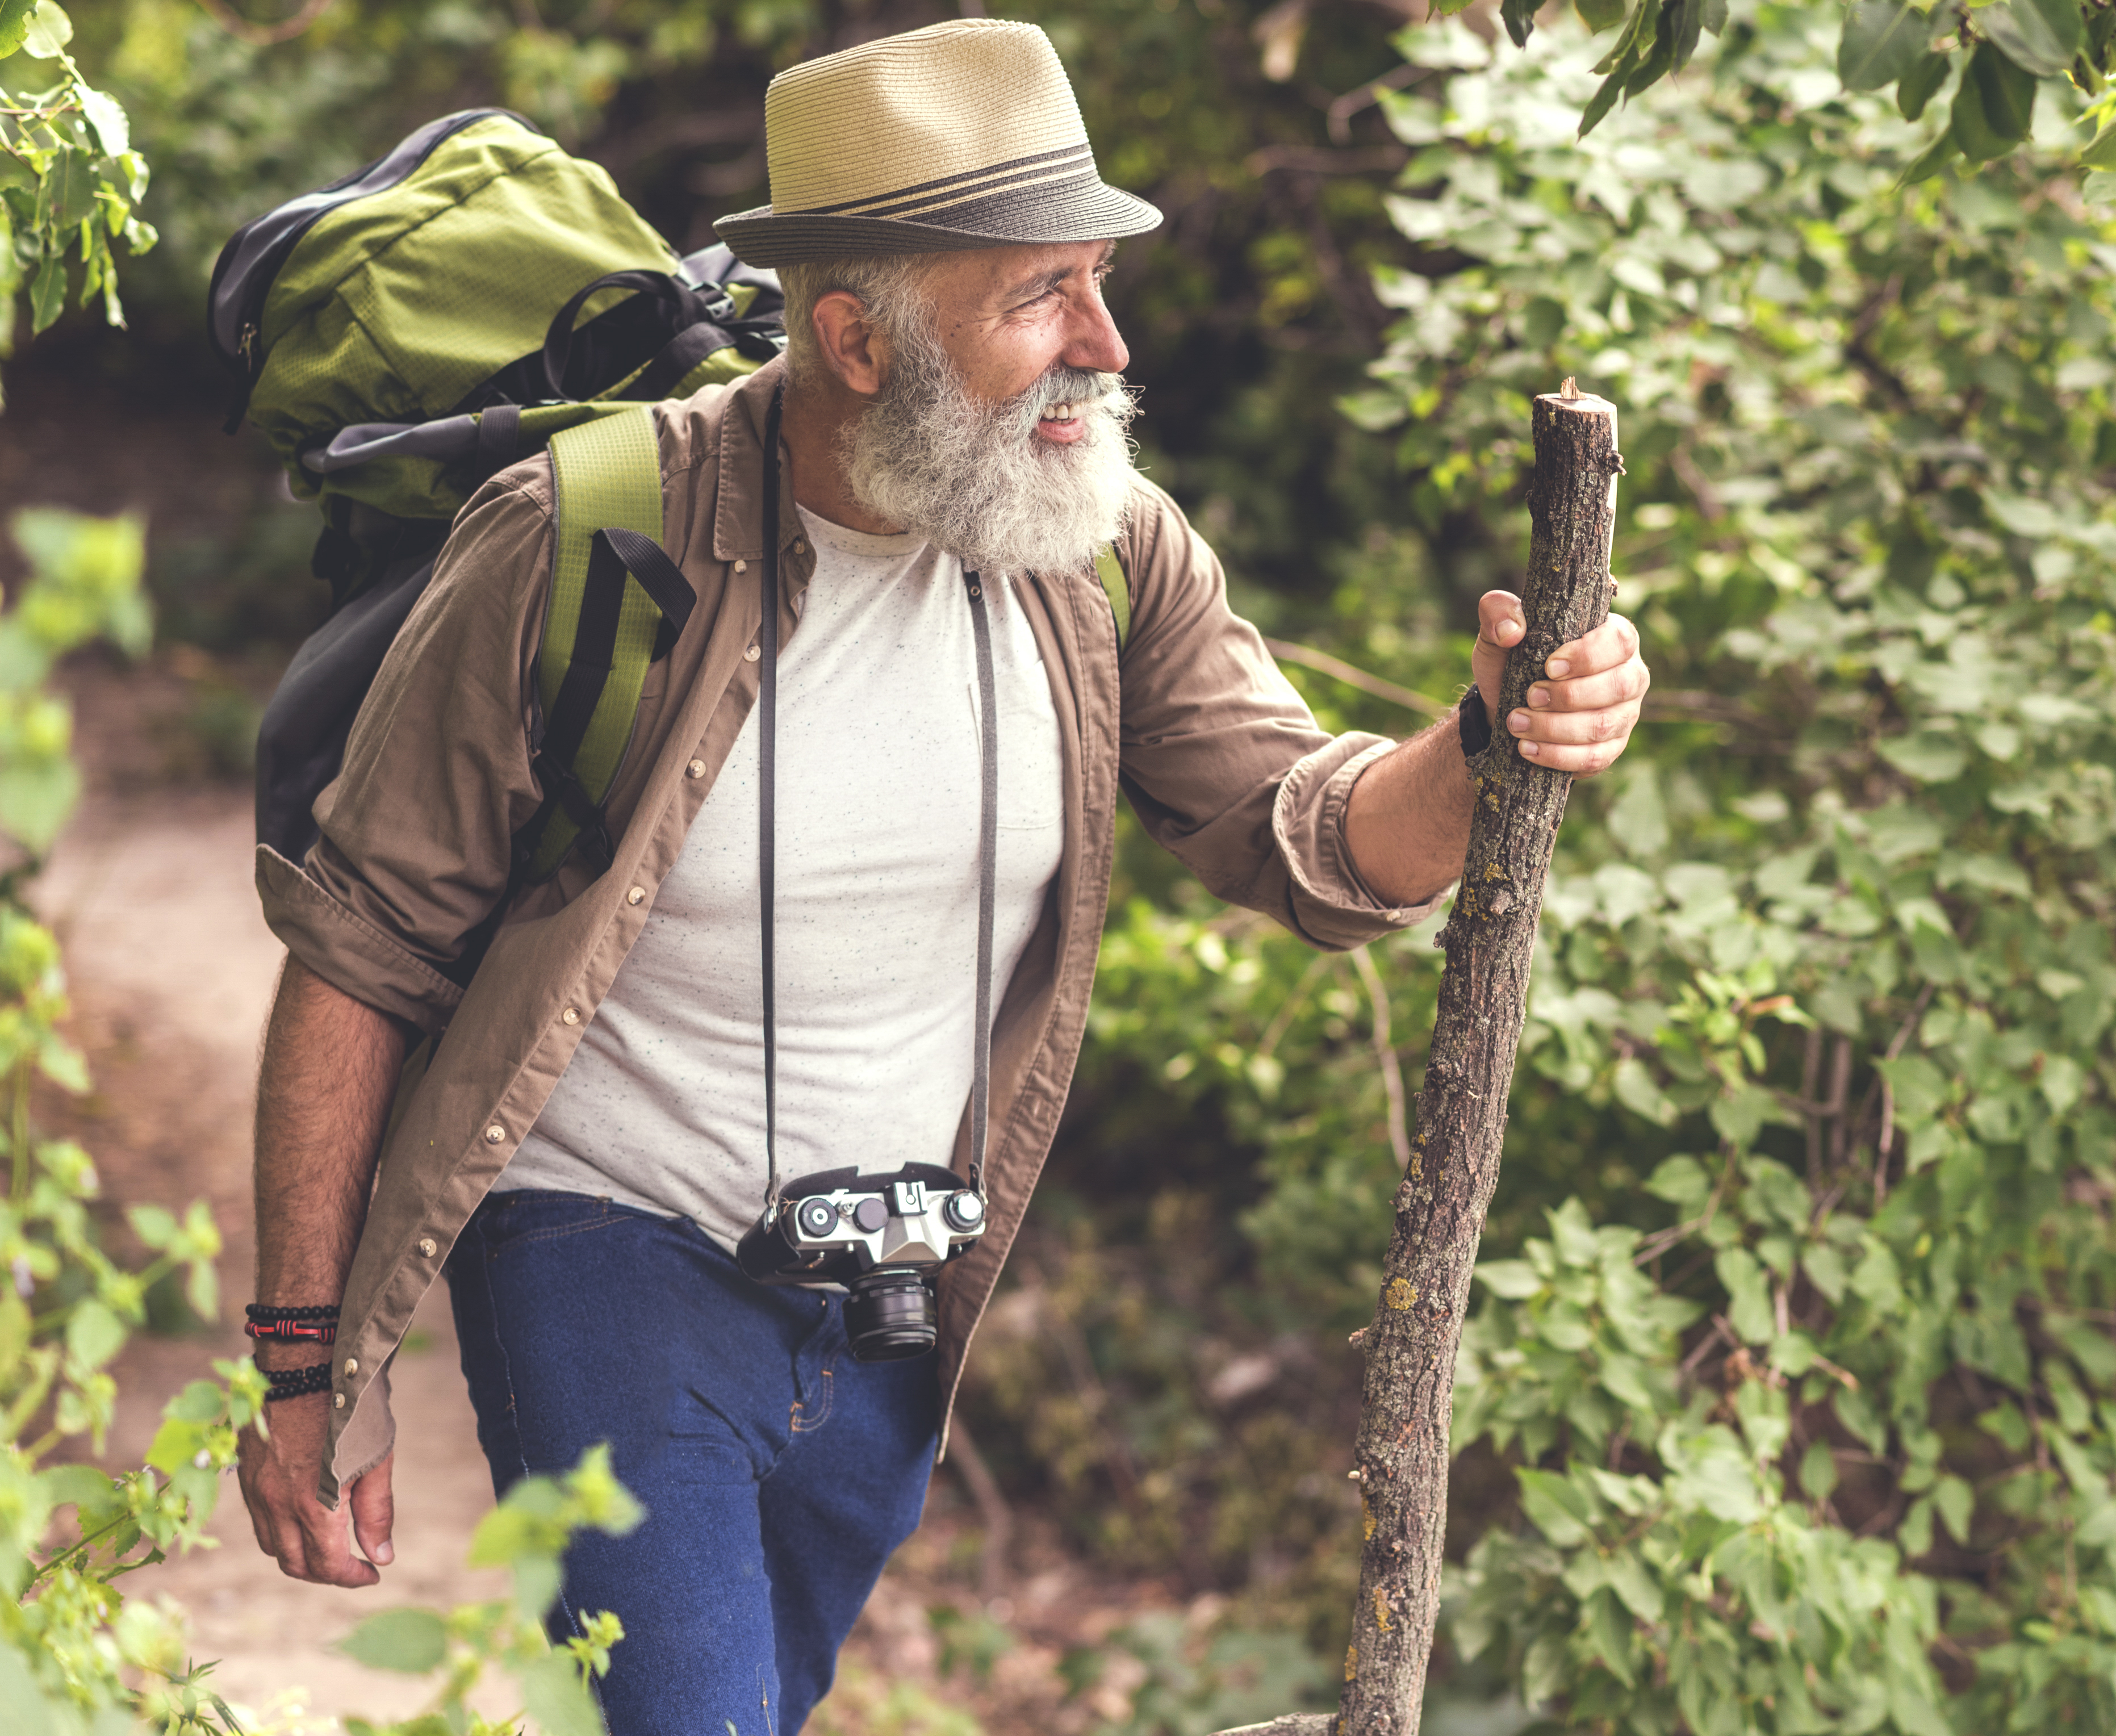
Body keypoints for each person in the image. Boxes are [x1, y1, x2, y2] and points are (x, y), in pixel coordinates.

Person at [236, 17, 1649, 1733]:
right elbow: (360, 952)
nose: (1105, 348)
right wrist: (309, 1364)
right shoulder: (585, 537)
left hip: (895, 1300)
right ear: (852, 338)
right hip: (598, 1244)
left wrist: (1483, 737)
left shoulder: (1101, 551)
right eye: (1039, 296)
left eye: (1101, 283)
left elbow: (1315, 834)